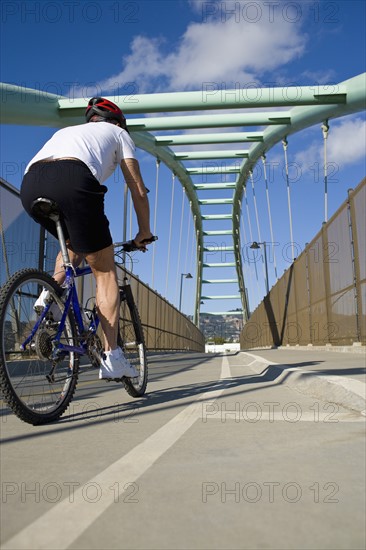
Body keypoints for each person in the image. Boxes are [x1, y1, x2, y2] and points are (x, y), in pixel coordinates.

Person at [20, 97, 154, 381]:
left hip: (30, 184)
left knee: (71, 246)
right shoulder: (119, 134)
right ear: (118, 122)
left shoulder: (65, 133)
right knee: (104, 272)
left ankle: (51, 294)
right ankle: (113, 357)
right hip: (74, 179)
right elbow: (138, 189)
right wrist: (144, 232)